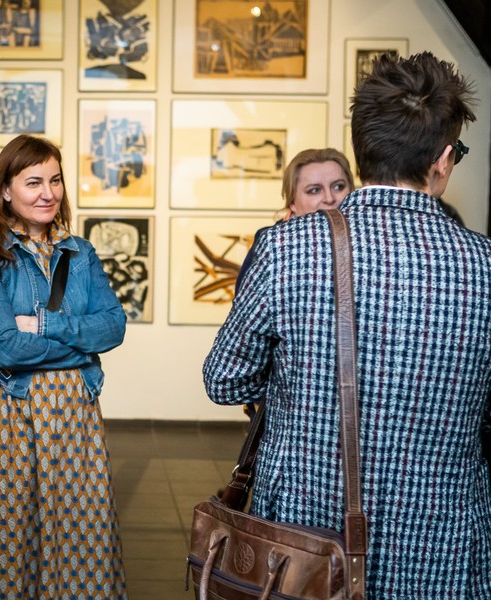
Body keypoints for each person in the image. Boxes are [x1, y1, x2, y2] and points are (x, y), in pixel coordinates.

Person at [203, 51, 491, 598]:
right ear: (444, 159)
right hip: (442, 552)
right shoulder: (485, 265)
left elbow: (224, 381)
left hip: (305, 546)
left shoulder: (284, 248)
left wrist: (304, 383)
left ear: (360, 152)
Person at [0, 134, 128, 599]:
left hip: (75, 422)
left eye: (55, 180)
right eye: (33, 182)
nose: (48, 192)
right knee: (13, 537)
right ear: (5, 190)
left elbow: (113, 327)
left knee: (82, 535)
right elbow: (6, 348)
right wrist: (79, 344)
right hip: (11, 417)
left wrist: (45, 325)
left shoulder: (81, 253)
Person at [236, 148, 355, 292]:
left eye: (338, 187)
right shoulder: (271, 243)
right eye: (314, 190)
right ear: (292, 203)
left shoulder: (365, 236)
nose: (329, 199)